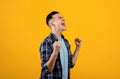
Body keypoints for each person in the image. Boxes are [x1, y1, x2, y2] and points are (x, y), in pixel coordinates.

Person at [39, 11, 82, 79]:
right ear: (53, 24)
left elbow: (70, 64)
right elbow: (47, 69)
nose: (63, 19)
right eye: (60, 18)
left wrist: (78, 48)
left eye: (63, 18)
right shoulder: (46, 42)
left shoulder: (65, 42)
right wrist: (55, 52)